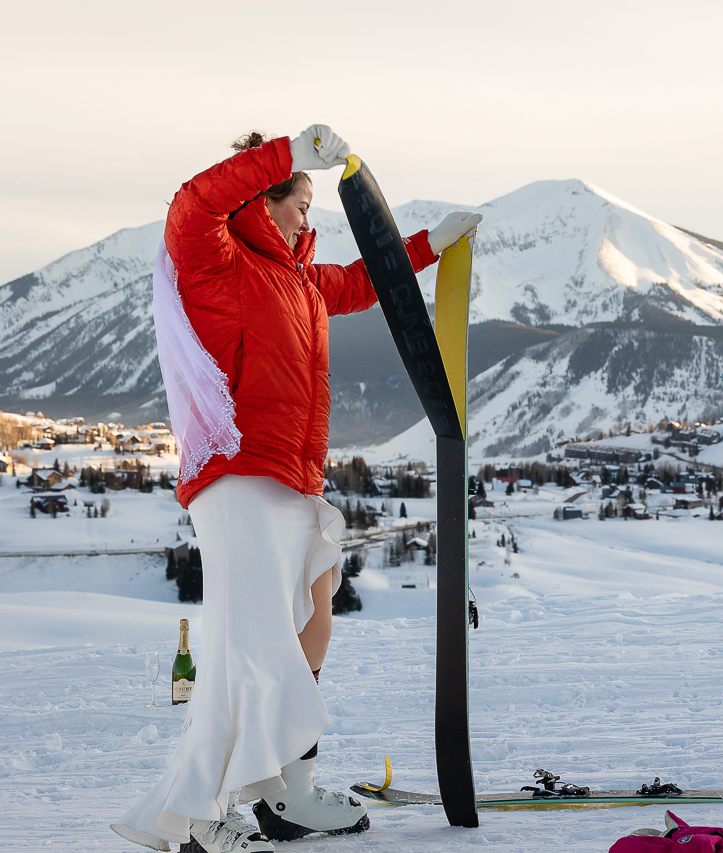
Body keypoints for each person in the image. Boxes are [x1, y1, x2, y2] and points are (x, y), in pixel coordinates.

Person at [111, 125, 481, 853]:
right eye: (301, 202)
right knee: (248, 645)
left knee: (314, 610)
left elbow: (366, 281)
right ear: (262, 199)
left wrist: (429, 244)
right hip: (239, 474)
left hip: (291, 477)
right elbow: (191, 202)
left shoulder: (302, 280)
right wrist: (285, 152)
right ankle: (202, 814)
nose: (309, 217)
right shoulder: (215, 258)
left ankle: (284, 789)